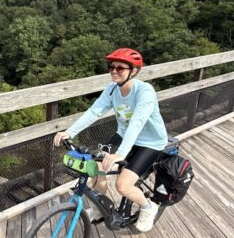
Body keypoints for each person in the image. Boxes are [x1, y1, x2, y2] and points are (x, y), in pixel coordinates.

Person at [53, 48, 168, 232]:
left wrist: (120, 154)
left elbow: (137, 123)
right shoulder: (112, 89)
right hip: (123, 135)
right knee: (96, 167)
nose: (114, 71)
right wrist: (70, 131)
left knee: (122, 185)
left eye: (120, 68)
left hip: (150, 142)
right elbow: (94, 111)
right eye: (111, 67)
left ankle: (148, 207)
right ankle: (100, 209)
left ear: (134, 71)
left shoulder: (145, 91)